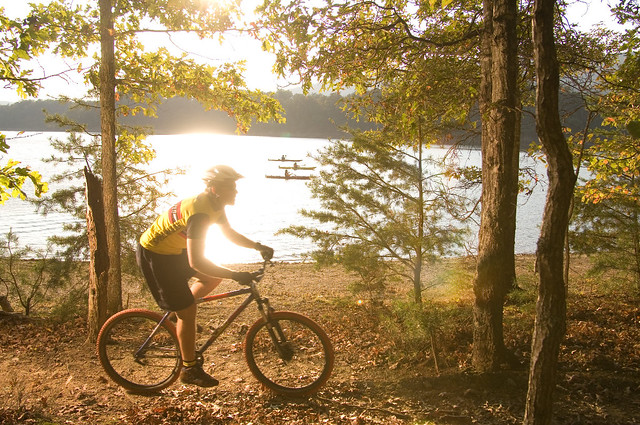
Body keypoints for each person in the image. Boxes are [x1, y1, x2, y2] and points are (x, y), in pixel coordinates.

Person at [136, 165, 274, 387]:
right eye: (231, 187)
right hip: (156, 256)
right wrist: (235, 275)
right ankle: (189, 369)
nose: (236, 191)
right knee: (189, 310)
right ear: (215, 188)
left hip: (173, 251)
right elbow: (197, 262)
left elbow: (227, 233)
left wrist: (258, 246)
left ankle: (177, 314)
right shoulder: (200, 214)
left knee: (211, 279)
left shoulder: (213, 204)